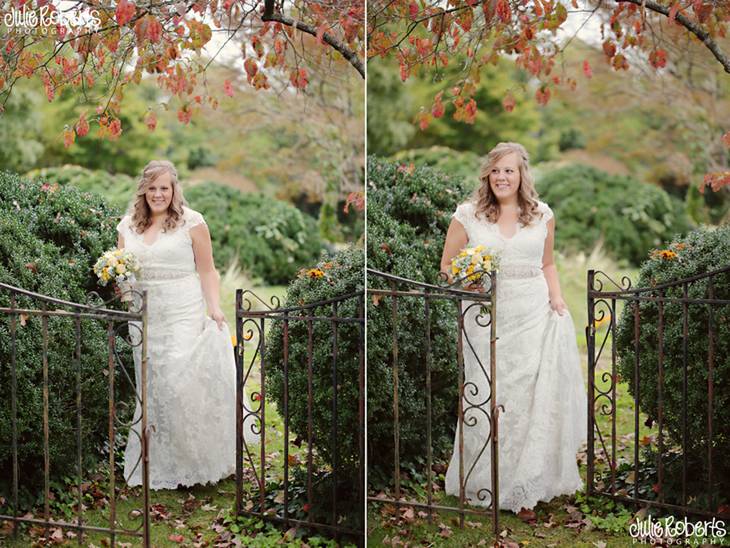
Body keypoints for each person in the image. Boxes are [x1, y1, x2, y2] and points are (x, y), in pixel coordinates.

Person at [440, 142, 586, 514]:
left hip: (533, 312)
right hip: (485, 318)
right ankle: (484, 482)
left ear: (522, 175)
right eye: (496, 170)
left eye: (510, 170)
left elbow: (548, 264)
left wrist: (557, 299)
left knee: (529, 399)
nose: (502, 177)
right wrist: (466, 282)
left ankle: (527, 483)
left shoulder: (541, 215)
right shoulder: (468, 215)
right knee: (488, 396)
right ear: (487, 175)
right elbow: (446, 267)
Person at [117, 160, 256, 490]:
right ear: (143, 191)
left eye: (164, 187)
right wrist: (122, 291)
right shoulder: (127, 227)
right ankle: (160, 463)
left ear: (174, 189)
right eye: (152, 188)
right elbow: (121, 272)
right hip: (145, 318)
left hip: (183, 310)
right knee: (154, 389)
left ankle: (197, 460)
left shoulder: (192, 223)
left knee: (180, 383)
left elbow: (207, 270)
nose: (158, 194)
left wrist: (214, 307)